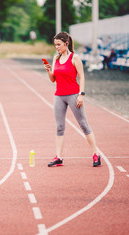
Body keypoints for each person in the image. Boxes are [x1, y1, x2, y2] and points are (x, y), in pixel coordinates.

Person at [42, 32, 101, 167]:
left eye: (59, 44)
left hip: (73, 95)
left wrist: (81, 94)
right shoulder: (55, 58)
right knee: (60, 127)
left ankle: (96, 154)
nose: (56, 47)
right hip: (59, 96)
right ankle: (59, 157)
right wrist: (48, 70)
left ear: (66, 43)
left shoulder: (75, 58)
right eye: (55, 45)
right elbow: (53, 79)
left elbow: (82, 76)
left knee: (83, 124)